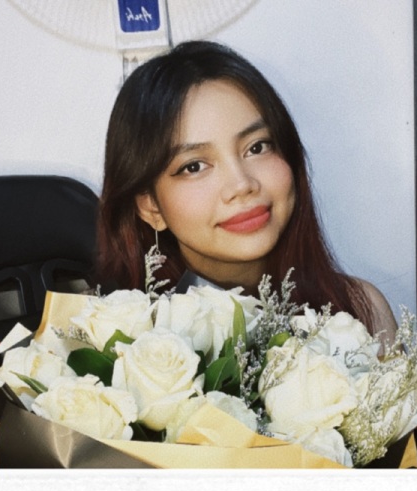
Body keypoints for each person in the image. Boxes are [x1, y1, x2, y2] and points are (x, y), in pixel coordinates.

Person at [96, 40, 397, 341]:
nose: (242, 185)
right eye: (194, 166)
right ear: (150, 206)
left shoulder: (360, 313)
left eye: (257, 147)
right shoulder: (119, 342)